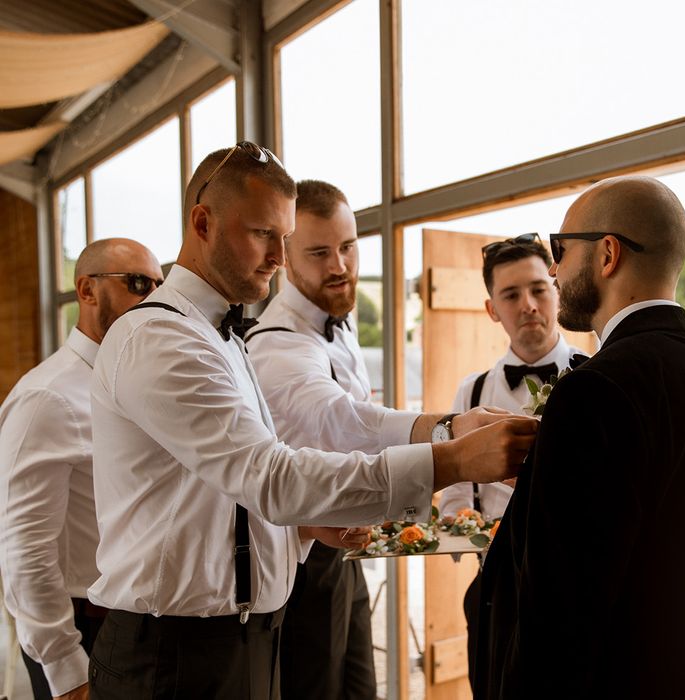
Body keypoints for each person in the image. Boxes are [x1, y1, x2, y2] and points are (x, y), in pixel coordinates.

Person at [86, 143, 538, 700]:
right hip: (173, 657)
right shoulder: (159, 338)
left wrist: (299, 528)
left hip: (239, 642)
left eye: (284, 236)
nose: (279, 256)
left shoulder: (217, 335)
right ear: (202, 222)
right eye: (263, 235)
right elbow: (273, 474)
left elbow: (214, 494)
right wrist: (451, 458)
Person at [474, 175, 685, 699]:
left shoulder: (592, 393)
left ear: (607, 254)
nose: (556, 269)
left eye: (560, 250)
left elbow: (557, 621)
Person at [248, 179, 508, 698]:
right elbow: (339, 419)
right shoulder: (277, 345)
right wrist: (447, 435)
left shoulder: (337, 322)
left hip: (348, 538)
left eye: (347, 246)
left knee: (360, 687)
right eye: (319, 252)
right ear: (283, 256)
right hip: (302, 554)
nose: (340, 265)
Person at [0, 239, 163, 700]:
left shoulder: (136, 383)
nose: (152, 298)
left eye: (158, 284)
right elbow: (24, 547)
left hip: (135, 624)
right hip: (81, 630)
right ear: (87, 291)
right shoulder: (46, 398)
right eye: (136, 283)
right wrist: (65, 668)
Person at [437, 232, 587, 690]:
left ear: (556, 290)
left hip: (576, 591)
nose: (528, 304)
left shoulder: (594, 375)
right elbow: (458, 493)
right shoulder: (473, 391)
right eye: (510, 294)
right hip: (495, 586)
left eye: (539, 288)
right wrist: (459, 527)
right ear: (492, 310)